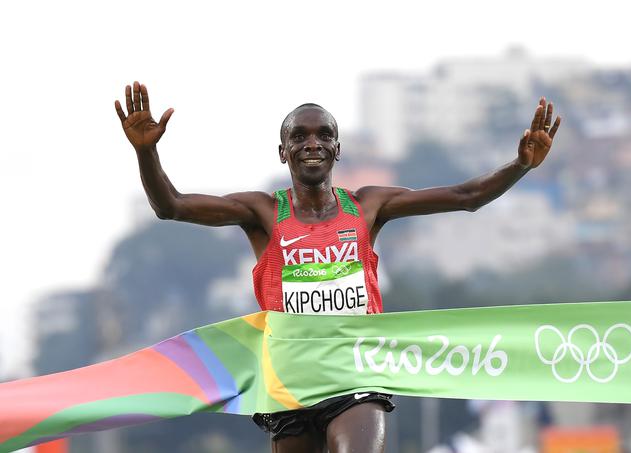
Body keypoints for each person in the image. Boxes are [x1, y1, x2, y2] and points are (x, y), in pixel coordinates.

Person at [114, 81, 561, 453]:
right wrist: (146, 153)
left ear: (337, 149)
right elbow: (170, 206)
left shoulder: (368, 206)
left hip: (356, 370)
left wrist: (520, 164)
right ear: (283, 152)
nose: (313, 143)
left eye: (323, 135)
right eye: (300, 137)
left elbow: (467, 197)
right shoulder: (263, 213)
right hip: (289, 380)